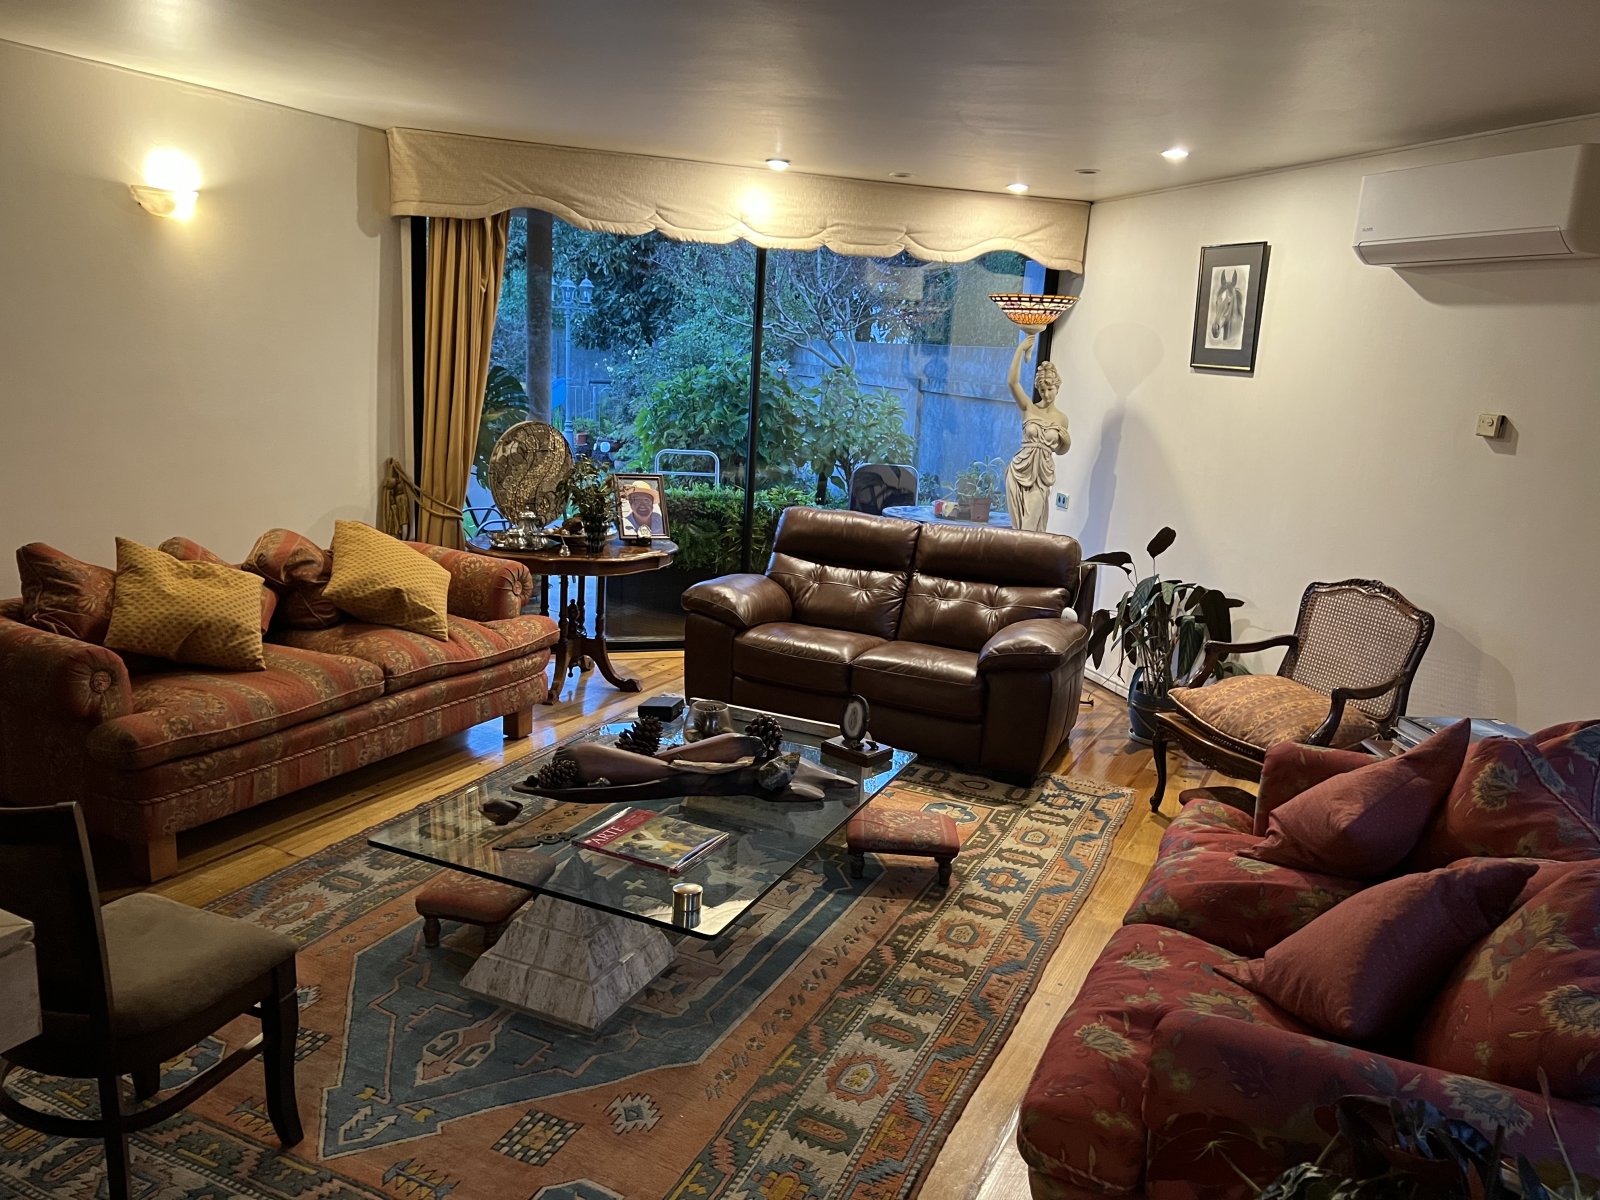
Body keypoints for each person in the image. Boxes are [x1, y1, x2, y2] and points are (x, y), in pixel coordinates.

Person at [1003, 331, 1070, 532]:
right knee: (1019, 530)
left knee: (1029, 528)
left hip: (1041, 475)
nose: (1046, 394)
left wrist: (1066, 442)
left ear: (1057, 387)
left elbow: (1059, 450)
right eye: (1042, 390)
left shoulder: (1061, 418)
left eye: (1050, 389)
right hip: (1019, 470)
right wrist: (1020, 349)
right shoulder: (1029, 408)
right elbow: (1012, 382)